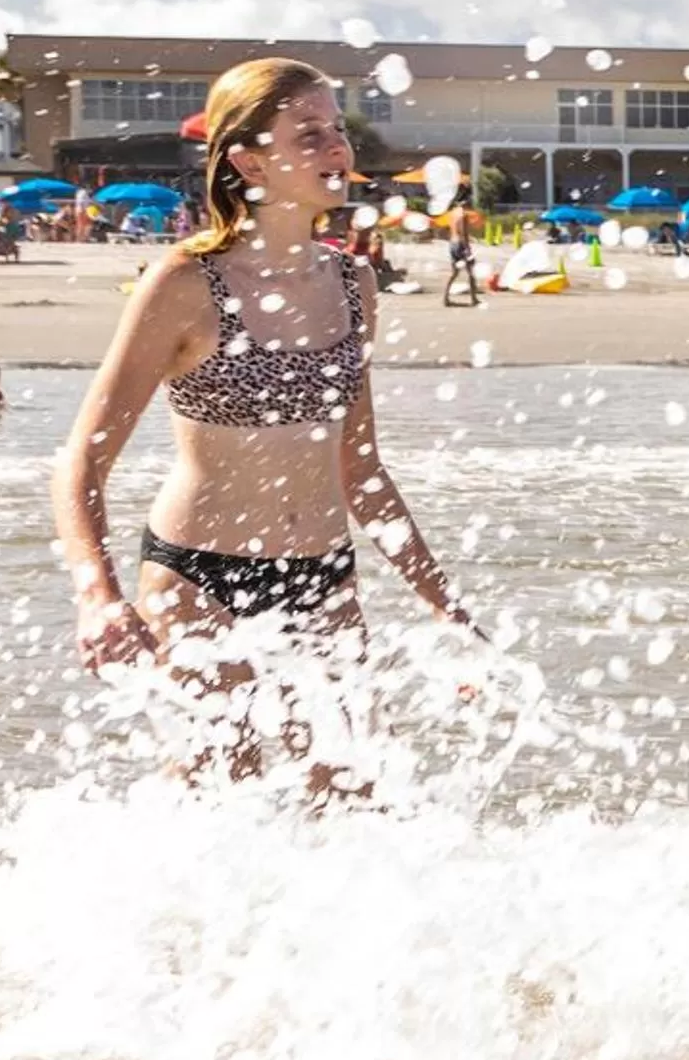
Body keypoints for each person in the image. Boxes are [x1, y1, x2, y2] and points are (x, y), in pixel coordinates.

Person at [51, 58, 473, 755]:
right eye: (308, 135)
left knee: (354, 796)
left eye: (336, 130)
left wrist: (446, 611)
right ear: (248, 161)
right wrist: (97, 596)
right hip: (199, 576)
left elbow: (361, 472)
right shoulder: (186, 283)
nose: (336, 149)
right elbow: (82, 461)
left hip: (324, 575)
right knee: (220, 793)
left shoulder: (353, 281)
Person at [442, 203, 481, 308]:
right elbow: (463, 233)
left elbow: (450, 230)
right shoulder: (463, 215)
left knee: (454, 273)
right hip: (460, 244)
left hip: (452, 243)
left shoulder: (452, 214)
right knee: (470, 272)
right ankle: (474, 299)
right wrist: (468, 249)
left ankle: (445, 298)